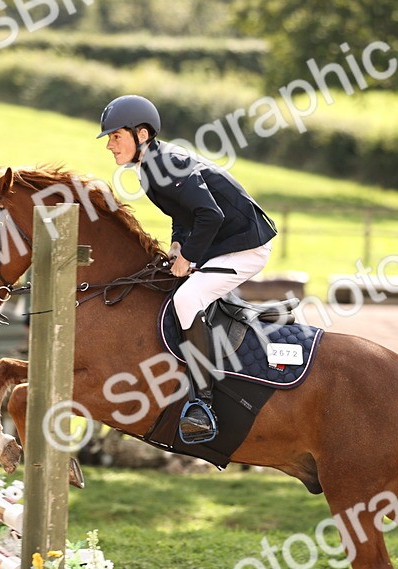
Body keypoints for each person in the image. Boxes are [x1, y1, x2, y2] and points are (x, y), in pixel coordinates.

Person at [98, 94, 278, 443]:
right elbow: (183, 218)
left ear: (142, 134)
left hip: (246, 247)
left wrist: (189, 259)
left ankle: (203, 403)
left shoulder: (164, 165)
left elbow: (211, 214)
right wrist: (177, 251)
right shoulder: (150, 167)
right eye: (109, 138)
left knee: (186, 301)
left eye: (115, 137)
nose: (109, 145)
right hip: (224, 243)